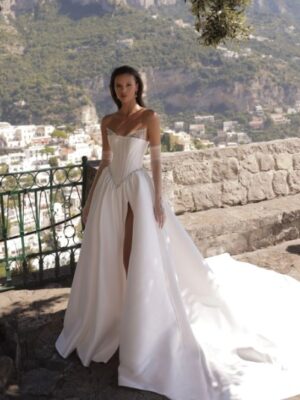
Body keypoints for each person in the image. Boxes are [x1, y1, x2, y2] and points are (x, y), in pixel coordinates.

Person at [56, 65, 300, 400]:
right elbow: (105, 161)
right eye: (118, 86)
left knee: (131, 256)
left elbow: (156, 162)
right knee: (107, 256)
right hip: (108, 195)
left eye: (128, 85)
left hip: (136, 193)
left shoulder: (149, 117)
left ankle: (139, 323)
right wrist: (87, 203)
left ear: (137, 87)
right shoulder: (108, 121)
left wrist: (157, 201)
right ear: (113, 89)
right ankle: (109, 318)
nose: (123, 90)